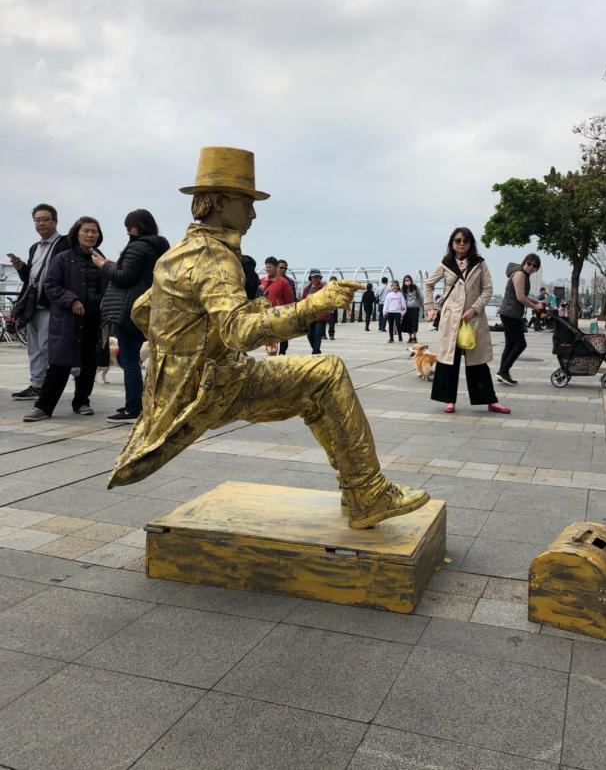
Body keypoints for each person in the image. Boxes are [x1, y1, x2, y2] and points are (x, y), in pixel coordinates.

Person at [107, 146, 429, 530]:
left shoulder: (176, 255)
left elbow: (142, 311)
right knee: (329, 371)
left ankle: (358, 492)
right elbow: (238, 332)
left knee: (312, 392)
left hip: (185, 385)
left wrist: (195, 340)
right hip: (220, 384)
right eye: (247, 202)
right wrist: (316, 304)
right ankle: (367, 491)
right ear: (221, 202)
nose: (253, 213)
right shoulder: (215, 257)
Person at [23, 217, 107, 421]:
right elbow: (51, 286)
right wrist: (72, 300)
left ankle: (82, 401)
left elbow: (107, 287)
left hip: (92, 319)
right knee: (59, 364)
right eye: (86, 231)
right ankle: (43, 406)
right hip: (68, 320)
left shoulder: (100, 259)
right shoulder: (63, 258)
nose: (90, 235)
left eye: (94, 231)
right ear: (76, 234)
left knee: (88, 364)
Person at [93, 210, 170, 424]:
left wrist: (104, 266)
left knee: (129, 359)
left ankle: (133, 408)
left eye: (129, 226)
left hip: (130, 309)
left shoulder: (138, 246)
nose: (127, 230)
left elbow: (124, 277)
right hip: (148, 307)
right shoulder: (160, 246)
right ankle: (142, 404)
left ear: (136, 226)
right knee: (138, 358)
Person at [424, 226, 509, 415]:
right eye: (458, 240)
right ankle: (449, 400)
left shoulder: (479, 263)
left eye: (466, 240)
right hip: (450, 320)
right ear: (452, 243)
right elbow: (429, 284)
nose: (461, 244)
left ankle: (490, 401)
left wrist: (474, 309)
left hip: (473, 320)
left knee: (478, 362)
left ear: (471, 244)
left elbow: (487, 289)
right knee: (448, 361)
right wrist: (430, 307)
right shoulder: (445, 264)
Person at [9, 204, 70, 400]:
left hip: (51, 305)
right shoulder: (34, 247)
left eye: (46, 219)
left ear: (55, 221)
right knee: (34, 348)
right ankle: (37, 384)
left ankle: (66, 381)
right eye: (37, 220)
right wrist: (21, 268)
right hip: (32, 306)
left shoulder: (64, 243)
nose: (41, 223)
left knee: (49, 347)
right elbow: (30, 279)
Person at [496, 255, 544, 386]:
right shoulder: (520, 275)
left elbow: (524, 295)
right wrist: (536, 307)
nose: (531, 267)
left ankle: (502, 372)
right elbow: (520, 297)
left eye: (535, 266)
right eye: (529, 264)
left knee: (510, 344)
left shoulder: (523, 275)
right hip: (510, 314)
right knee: (520, 344)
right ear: (524, 263)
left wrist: (538, 301)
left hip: (510, 314)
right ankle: (503, 371)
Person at [260, 256, 296, 355]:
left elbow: (290, 301)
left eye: (270, 267)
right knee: (269, 339)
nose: (268, 269)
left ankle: (282, 354)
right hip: (266, 317)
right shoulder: (262, 281)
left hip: (280, 316)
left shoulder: (284, 283)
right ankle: (271, 357)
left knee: (283, 338)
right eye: (266, 267)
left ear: (275, 267)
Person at [302, 270, 331, 354]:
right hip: (309, 317)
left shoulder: (324, 288)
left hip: (320, 316)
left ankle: (315, 352)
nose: (316, 279)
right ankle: (317, 351)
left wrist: (326, 314)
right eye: (314, 277)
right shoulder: (306, 289)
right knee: (310, 335)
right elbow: (303, 301)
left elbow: (328, 301)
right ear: (310, 278)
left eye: (318, 277)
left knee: (317, 335)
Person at [401, 274, 423, 343]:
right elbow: (402, 298)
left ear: (411, 280)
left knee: (414, 322)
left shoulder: (415, 287)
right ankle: (410, 337)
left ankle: (414, 337)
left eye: (408, 280)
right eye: (406, 280)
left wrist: (422, 306)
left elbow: (420, 297)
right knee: (408, 323)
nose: (407, 281)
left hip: (415, 307)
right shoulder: (403, 289)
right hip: (407, 308)